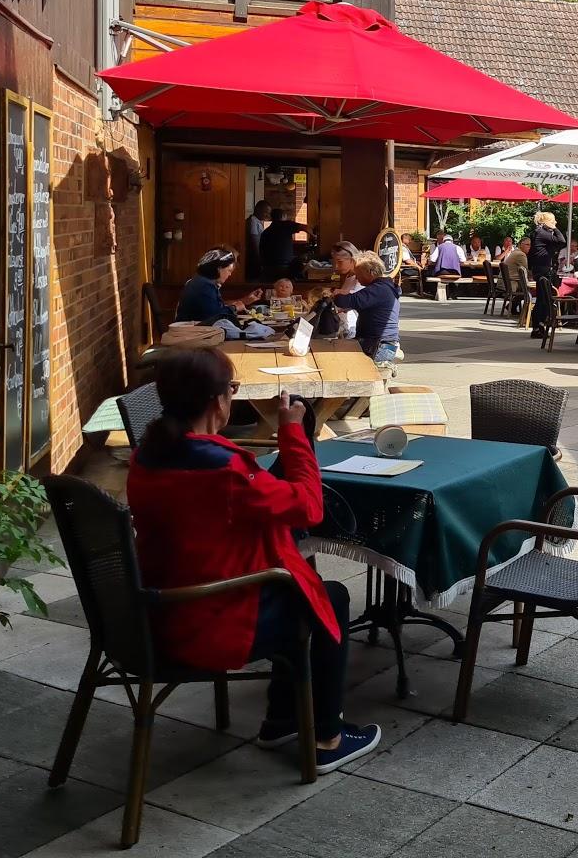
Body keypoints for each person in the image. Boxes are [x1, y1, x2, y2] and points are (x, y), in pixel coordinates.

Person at [126, 349, 381, 771]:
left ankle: (281, 720)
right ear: (217, 400)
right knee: (328, 597)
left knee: (295, 586)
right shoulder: (225, 470)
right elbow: (309, 507)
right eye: (233, 388)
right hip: (207, 620)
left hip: (155, 610)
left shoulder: (146, 457)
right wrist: (292, 432)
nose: (233, 395)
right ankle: (327, 736)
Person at [331, 252, 401, 366]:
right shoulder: (384, 287)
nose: (356, 278)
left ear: (369, 272)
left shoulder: (378, 289)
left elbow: (347, 301)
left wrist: (336, 294)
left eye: (358, 274)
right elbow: (361, 302)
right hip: (381, 342)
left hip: (378, 345)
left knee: (339, 359)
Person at [176, 248, 261, 324]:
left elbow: (214, 308)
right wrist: (234, 308)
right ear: (219, 269)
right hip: (191, 333)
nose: (230, 274)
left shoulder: (201, 281)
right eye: (229, 270)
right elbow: (215, 316)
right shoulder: (205, 285)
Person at [528, 211, 567, 338]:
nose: (555, 222)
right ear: (547, 222)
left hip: (540, 268)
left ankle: (538, 327)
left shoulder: (538, 233)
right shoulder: (542, 233)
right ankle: (538, 327)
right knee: (543, 300)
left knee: (543, 299)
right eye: (553, 220)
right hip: (543, 270)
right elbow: (561, 241)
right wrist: (554, 228)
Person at [259, 208, 311, 281]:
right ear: (283, 216)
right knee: (301, 264)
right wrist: (314, 236)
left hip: (267, 269)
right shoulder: (286, 225)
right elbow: (305, 227)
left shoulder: (265, 232)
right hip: (285, 269)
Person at [329, 241, 361, 337]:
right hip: (344, 326)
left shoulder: (361, 278)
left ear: (352, 259)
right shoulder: (348, 276)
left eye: (340, 262)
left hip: (354, 329)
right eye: (334, 262)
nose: (336, 266)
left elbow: (357, 299)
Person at [245, 200, 271, 278]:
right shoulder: (253, 221)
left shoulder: (258, 221)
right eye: (266, 212)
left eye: (269, 213)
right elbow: (254, 240)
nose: (267, 215)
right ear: (258, 209)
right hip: (254, 258)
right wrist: (259, 259)